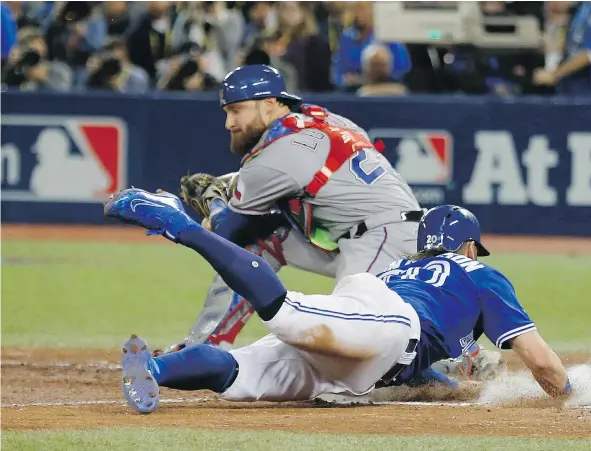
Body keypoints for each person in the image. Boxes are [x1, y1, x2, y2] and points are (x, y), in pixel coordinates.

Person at [104, 194, 571, 414]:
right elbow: (541, 362)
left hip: (367, 347)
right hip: (389, 325)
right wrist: (573, 394)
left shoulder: (402, 269)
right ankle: (176, 222)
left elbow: (401, 358)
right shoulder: (480, 274)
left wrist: (447, 386)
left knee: (239, 373)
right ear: (470, 247)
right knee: (285, 314)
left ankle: (155, 371)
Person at [157, 64, 425, 358]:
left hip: (384, 238)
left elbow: (227, 233)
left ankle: (458, 364)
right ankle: (206, 345)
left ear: (270, 104)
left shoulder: (273, 156)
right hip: (376, 232)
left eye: (237, 110)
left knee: (353, 355)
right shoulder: (321, 118)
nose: (229, 123)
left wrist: (215, 203)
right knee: (261, 242)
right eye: (226, 111)